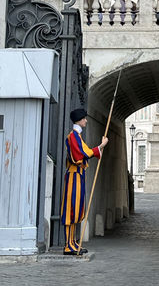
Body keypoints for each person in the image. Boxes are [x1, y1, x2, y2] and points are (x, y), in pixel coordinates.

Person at [60, 108, 108, 255]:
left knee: (77, 209)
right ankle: (68, 245)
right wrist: (101, 146)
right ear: (79, 120)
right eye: (84, 118)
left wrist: (98, 148)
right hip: (73, 176)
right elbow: (83, 153)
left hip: (78, 176)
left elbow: (86, 151)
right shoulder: (73, 136)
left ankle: (73, 242)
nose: (86, 120)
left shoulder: (78, 136)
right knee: (71, 210)